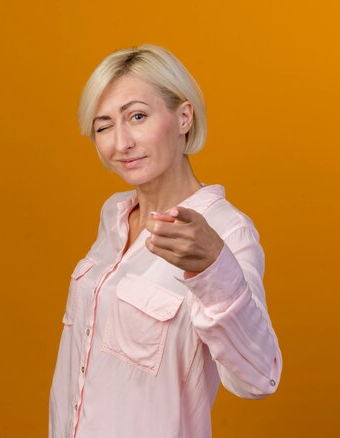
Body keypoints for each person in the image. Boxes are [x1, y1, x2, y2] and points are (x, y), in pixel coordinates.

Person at [49, 44, 282, 438]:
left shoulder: (227, 232)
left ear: (184, 117)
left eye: (137, 116)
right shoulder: (114, 215)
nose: (120, 143)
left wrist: (213, 267)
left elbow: (259, 377)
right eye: (103, 126)